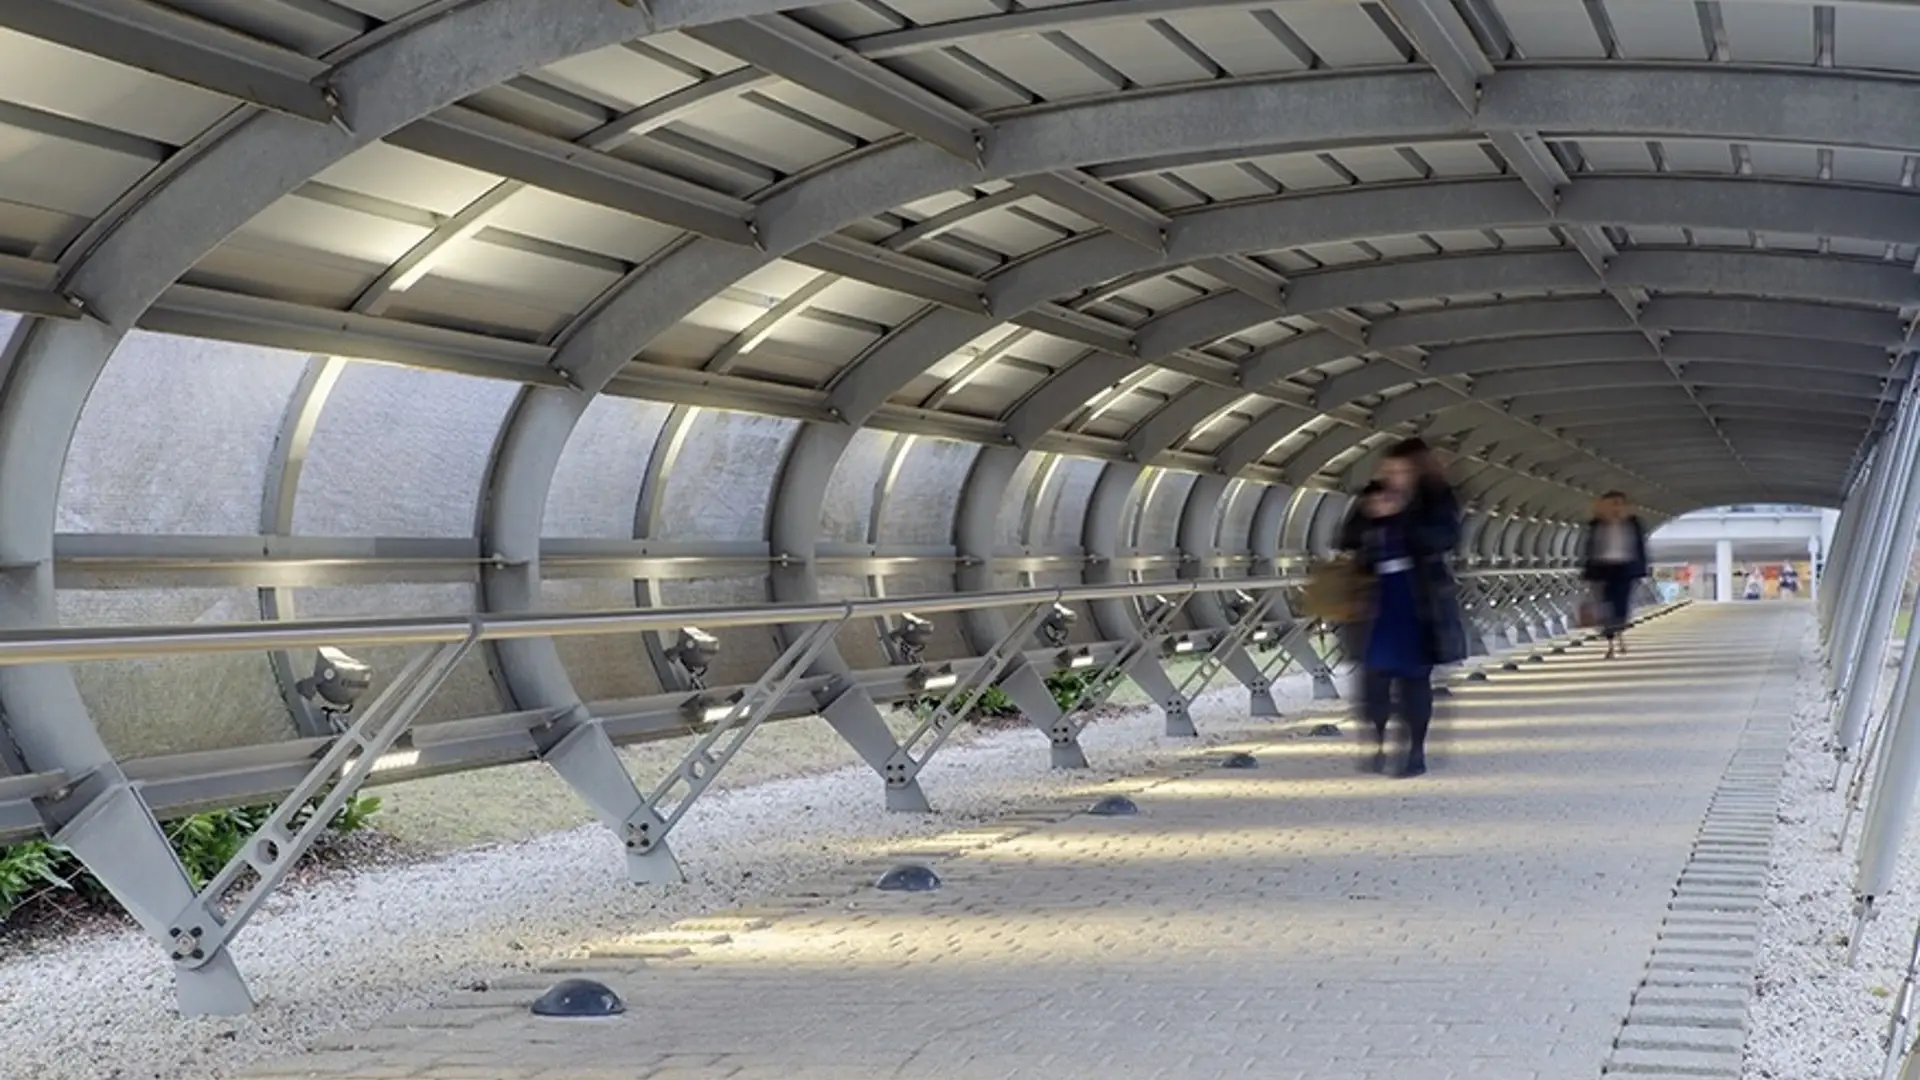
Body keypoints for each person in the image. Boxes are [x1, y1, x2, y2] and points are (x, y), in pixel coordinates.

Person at [1337, 438, 1467, 778]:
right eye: (1389, 470)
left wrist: (1401, 516)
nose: (1394, 477)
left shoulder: (1435, 499)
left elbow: (1444, 539)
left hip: (1418, 602)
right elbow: (1346, 538)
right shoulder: (1371, 496)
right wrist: (1369, 514)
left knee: (1415, 679)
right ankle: (1378, 742)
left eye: (1402, 471)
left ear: (1417, 472)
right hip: (1376, 600)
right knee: (1374, 678)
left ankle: (1415, 752)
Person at [1581, 491, 1650, 659]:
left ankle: (1617, 630)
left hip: (1625, 567)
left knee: (1621, 602)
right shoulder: (1596, 524)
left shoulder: (1633, 524)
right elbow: (1589, 549)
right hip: (1602, 568)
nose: (1615, 508)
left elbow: (1640, 548)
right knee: (1604, 604)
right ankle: (1612, 638)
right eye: (1612, 503)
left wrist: (1642, 569)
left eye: (1619, 503)